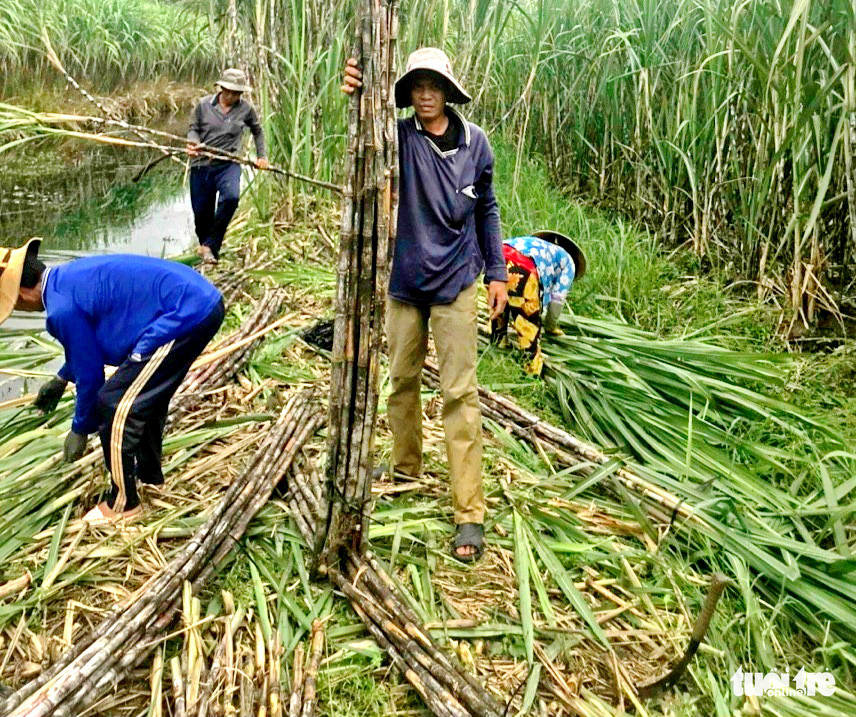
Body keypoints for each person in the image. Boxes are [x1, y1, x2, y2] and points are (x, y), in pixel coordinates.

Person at [343, 48, 508, 562]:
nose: (426, 93)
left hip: (457, 282)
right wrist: (355, 93)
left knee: (460, 394)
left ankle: (469, 514)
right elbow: (364, 136)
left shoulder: (474, 144)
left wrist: (497, 272)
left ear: (448, 91)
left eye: (434, 84)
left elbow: (488, 208)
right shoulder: (397, 139)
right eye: (416, 84)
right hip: (404, 283)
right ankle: (406, 468)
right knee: (401, 380)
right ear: (409, 92)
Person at [0, 238, 224, 525]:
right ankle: (150, 478)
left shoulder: (60, 309)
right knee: (143, 399)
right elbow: (87, 349)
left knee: (114, 404)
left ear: (21, 294)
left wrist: (80, 428)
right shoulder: (64, 280)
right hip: (198, 302)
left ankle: (123, 504)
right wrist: (60, 379)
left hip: (184, 314)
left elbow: (91, 377)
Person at [186, 68, 269, 265]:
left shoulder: (246, 109)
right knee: (201, 213)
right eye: (228, 91)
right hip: (202, 164)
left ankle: (209, 246)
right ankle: (209, 251)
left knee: (231, 198)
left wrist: (262, 156)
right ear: (221, 88)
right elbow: (193, 129)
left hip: (229, 163)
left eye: (236, 93)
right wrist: (192, 143)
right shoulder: (203, 105)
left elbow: (257, 131)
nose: (231, 96)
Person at [491, 230, 587, 375]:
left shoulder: (540, 247)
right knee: (528, 324)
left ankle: (498, 343)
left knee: (500, 305)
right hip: (521, 267)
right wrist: (551, 326)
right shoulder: (569, 262)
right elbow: (557, 301)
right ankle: (531, 371)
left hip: (496, 257)